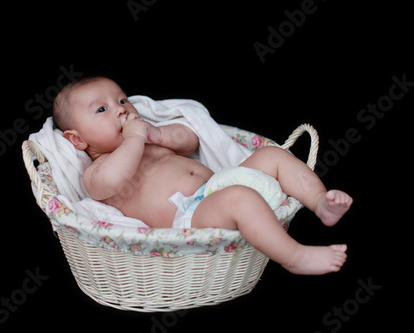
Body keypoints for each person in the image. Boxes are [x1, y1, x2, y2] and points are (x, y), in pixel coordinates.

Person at [52, 76, 353, 275]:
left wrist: (155, 134)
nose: (121, 110)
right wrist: (133, 138)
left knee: (274, 156)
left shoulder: (147, 141)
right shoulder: (97, 171)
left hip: (220, 183)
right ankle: (294, 257)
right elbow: (113, 180)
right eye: (102, 109)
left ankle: (318, 201)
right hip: (190, 215)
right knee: (239, 199)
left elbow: (190, 140)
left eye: (122, 100)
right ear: (78, 140)